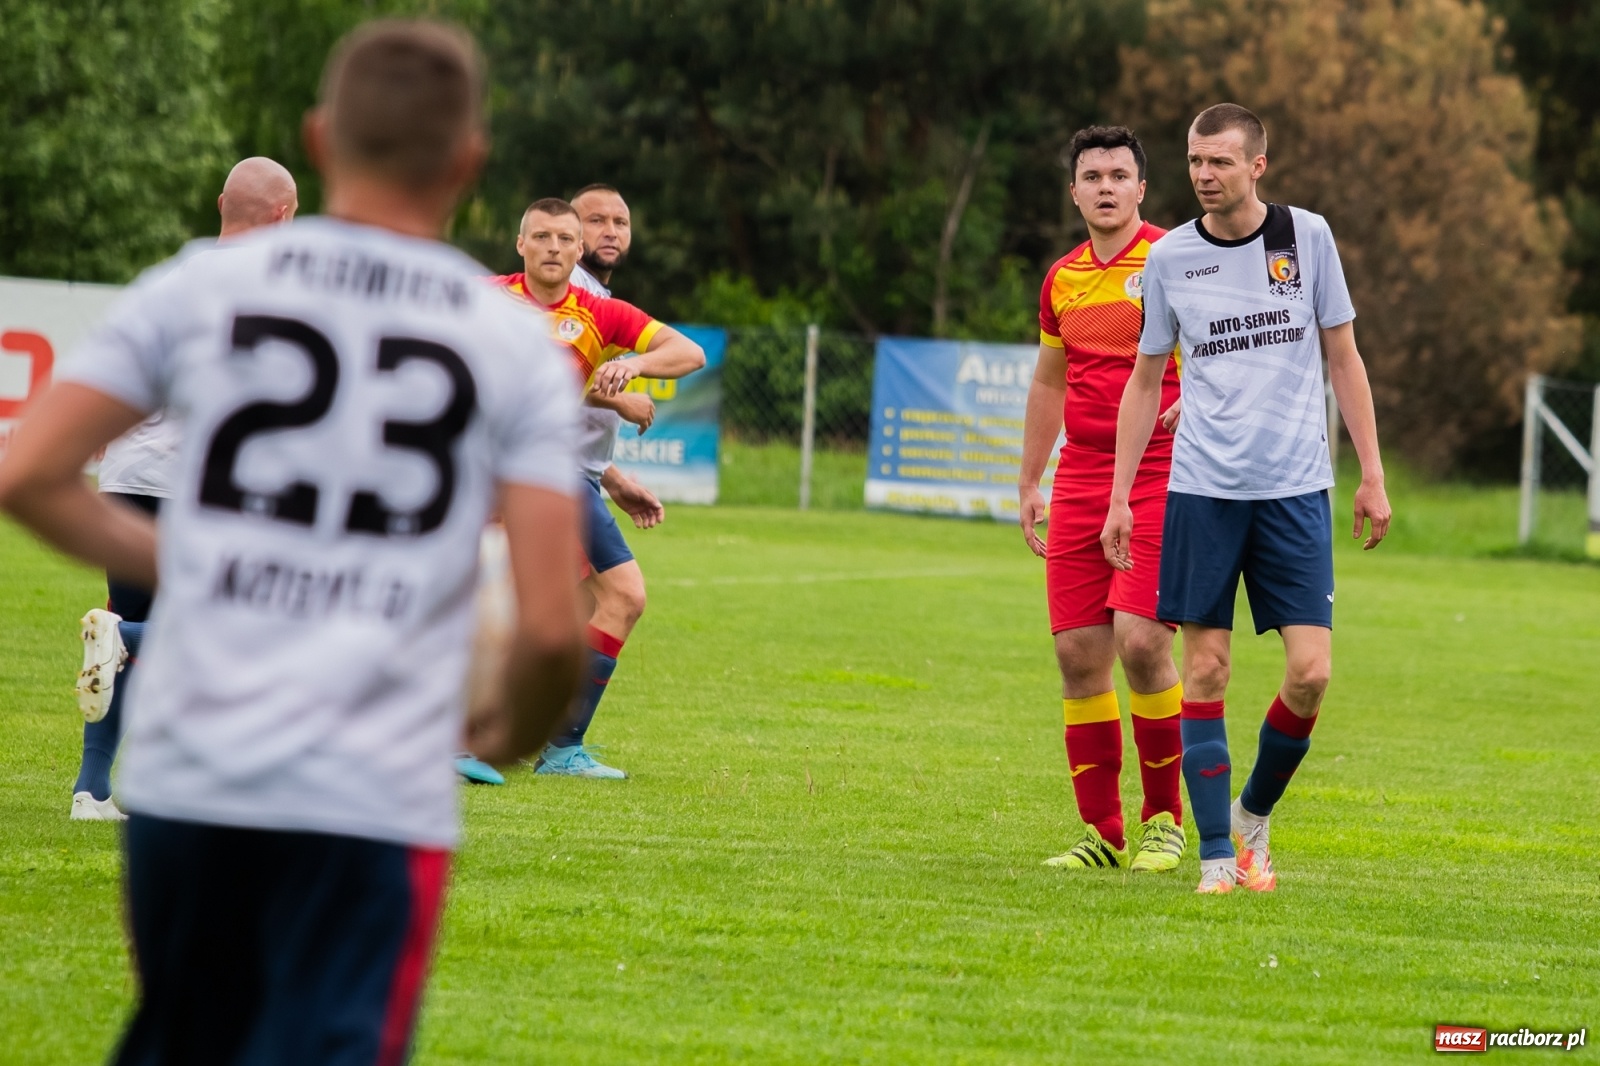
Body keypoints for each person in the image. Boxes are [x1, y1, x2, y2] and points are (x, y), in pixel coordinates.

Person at [0, 20, 586, 1062]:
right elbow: (550, 624)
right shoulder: (509, 344)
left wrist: (196, 561)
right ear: (468, 163)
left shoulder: (198, 287)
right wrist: (501, 736)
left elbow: (28, 473)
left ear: (319, 142)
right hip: (374, 791)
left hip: (190, 780)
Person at [1102, 103, 1391, 895]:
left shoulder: (1309, 238)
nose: (1204, 174)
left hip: (1296, 491)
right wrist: (1123, 495)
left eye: (1220, 161)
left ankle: (1253, 814)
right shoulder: (1169, 260)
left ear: (1257, 165)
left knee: (1311, 672)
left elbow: (1345, 358)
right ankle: (1215, 858)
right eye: (1195, 161)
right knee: (1207, 670)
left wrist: (1370, 472)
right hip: (1202, 492)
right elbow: (1146, 378)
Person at [71, 156, 298, 822]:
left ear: (221, 201)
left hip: (128, 475)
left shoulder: (167, 280)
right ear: (284, 216)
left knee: (126, 631)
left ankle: (92, 789)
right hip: (200, 484)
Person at [1019, 126, 1186, 872]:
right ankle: (1104, 834)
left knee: (1144, 642)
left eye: (1121, 174)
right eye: (1094, 175)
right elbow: (1050, 382)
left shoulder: (1178, 259)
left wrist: (1204, 403)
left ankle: (1164, 822)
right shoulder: (1061, 280)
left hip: (1164, 472)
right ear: (1076, 191)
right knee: (1078, 652)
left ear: (1142, 189)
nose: (1107, 186)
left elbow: (1226, 352)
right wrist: (1030, 480)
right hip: (1082, 476)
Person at [491, 195, 704, 779]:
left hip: (556, 476)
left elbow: (689, 353)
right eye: (542, 237)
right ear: (521, 245)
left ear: (576, 249)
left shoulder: (597, 313)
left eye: (564, 240)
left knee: (610, 599)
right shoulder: (487, 298)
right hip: (493, 472)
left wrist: (632, 367)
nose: (553, 248)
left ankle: (553, 745)